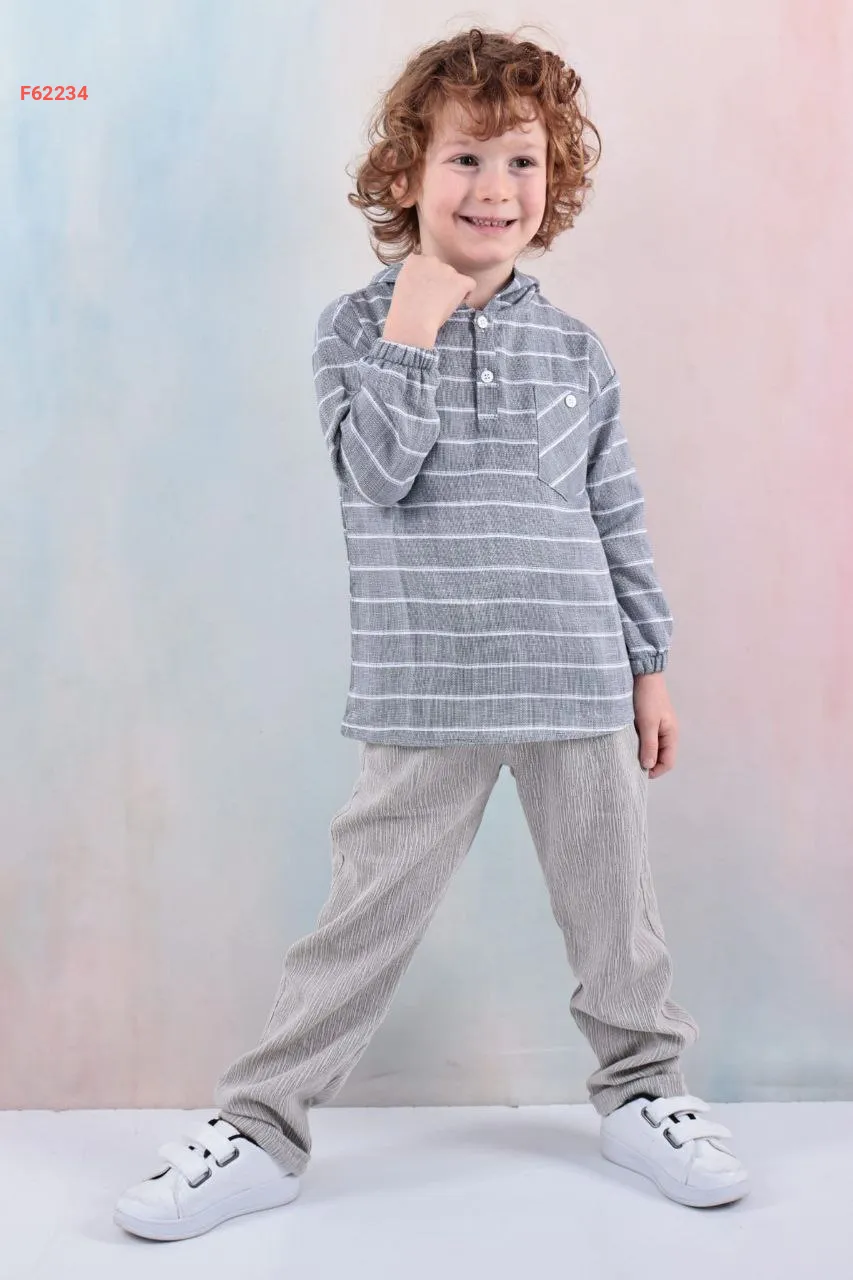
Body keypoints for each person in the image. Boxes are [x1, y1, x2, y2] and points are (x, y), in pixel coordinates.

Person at [114, 26, 749, 1242]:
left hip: (575, 675)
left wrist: (649, 665)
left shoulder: (577, 351)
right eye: (465, 158)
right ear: (406, 172)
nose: (494, 189)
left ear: (553, 180)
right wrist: (411, 322)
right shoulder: (353, 331)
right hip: (427, 687)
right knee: (357, 926)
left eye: (522, 161)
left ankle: (643, 1094)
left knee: (618, 918)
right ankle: (261, 1127)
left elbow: (615, 513)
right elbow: (375, 473)